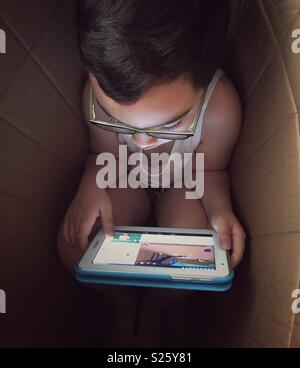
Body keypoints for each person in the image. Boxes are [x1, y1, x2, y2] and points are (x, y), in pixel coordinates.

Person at [57, 0, 246, 347]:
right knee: (75, 243)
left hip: (188, 182)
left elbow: (209, 168)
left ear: (202, 86)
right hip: (123, 175)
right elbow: (103, 154)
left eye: (169, 124)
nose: (142, 141)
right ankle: (124, 301)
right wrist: (90, 184)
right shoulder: (96, 93)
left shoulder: (220, 106)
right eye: (119, 120)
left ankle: (158, 305)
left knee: (204, 252)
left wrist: (221, 209)